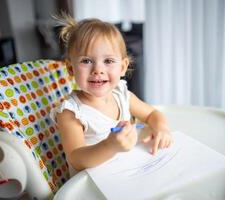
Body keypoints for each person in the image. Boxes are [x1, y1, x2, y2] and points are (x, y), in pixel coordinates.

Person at [50, 14, 172, 176]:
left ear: (122, 67)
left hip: (129, 171)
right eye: (86, 61)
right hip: (92, 184)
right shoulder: (71, 112)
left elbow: (152, 114)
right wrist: (109, 146)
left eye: (108, 61)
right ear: (71, 69)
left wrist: (161, 128)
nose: (98, 70)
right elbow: (76, 159)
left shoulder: (122, 95)